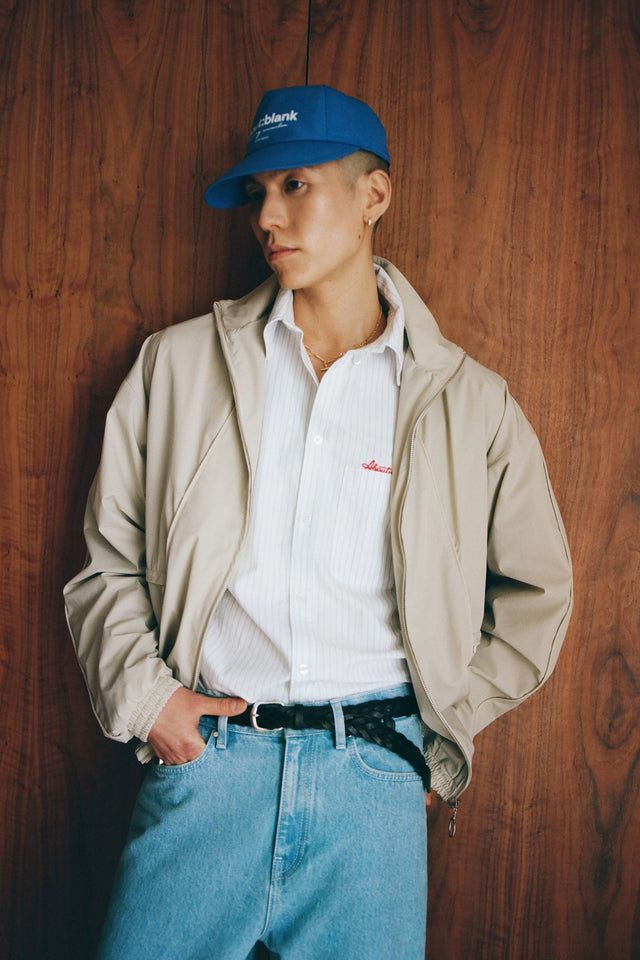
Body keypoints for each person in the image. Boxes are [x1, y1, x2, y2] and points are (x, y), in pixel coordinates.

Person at [64, 84, 573, 960]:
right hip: (206, 765)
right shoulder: (176, 367)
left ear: (374, 195)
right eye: (257, 193)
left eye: (296, 184)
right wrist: (151, 703)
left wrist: (432, 734)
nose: (268, 216)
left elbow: (539, 592)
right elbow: (107, 563)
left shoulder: (468, 402)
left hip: (373, 781)